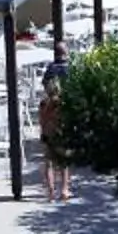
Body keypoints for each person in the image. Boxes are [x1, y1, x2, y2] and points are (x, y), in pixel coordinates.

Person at [35, 64, 70, 202]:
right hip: (60, 134)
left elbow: (41, 120)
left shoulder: (44, 103)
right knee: (63, 164)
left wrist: (43, 132)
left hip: (47, 135)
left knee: (49, 164)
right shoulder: (61, 103)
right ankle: (64, 190)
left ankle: (51, 193)